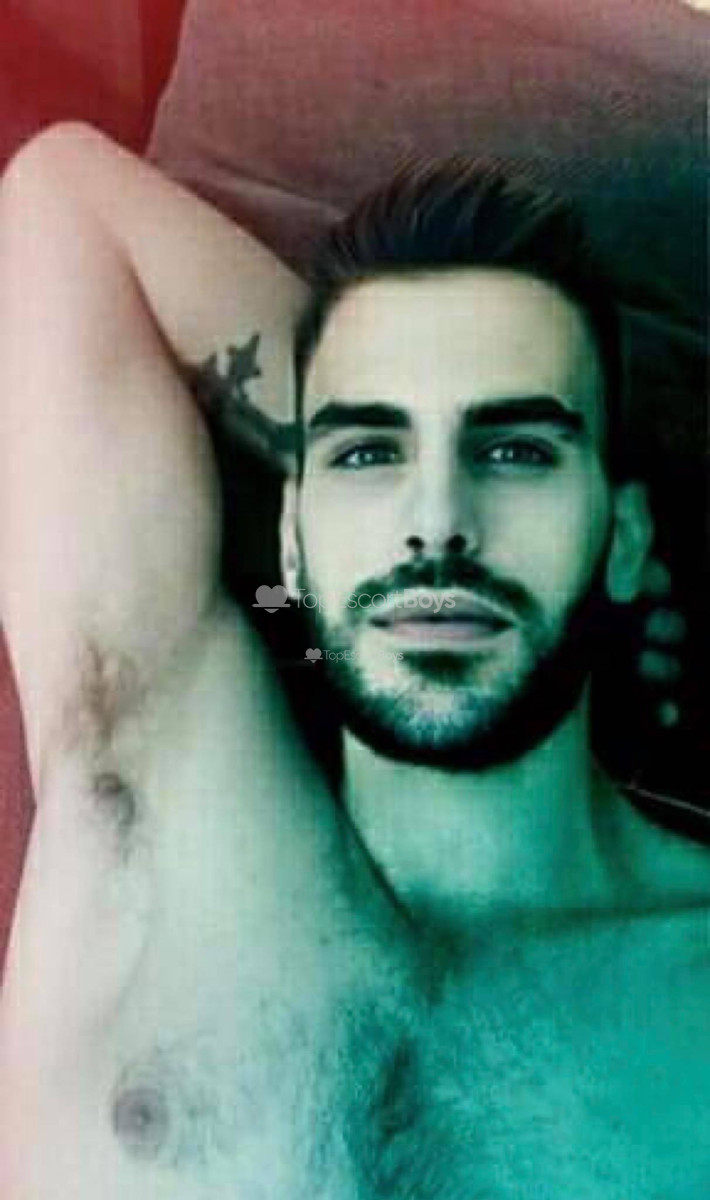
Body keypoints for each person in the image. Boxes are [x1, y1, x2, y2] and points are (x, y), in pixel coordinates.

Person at [0, 124, 706, 1199]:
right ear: (292, 538)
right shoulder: (144, 772)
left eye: (515, 451)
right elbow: (58, 202)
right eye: (369, 453)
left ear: (623, 538)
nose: (437, 520)